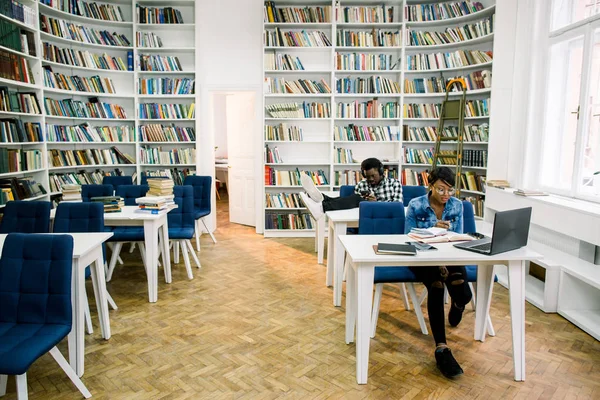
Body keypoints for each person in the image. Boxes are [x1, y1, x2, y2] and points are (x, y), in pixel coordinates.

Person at [404, 166, 471, 379]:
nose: (446, 195)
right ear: (430, 185)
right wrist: (433, 227)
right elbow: (408, 237)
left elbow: (457, 237)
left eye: (450, 190)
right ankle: (441, 347)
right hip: (421, 257)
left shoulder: (457, 205)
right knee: (437, 285)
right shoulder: (416, 205)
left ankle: (459, 304)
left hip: (449, 255)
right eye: (441, 189)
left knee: (460, 287)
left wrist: (444, 258)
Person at [300, 158, 403, 220]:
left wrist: (376, 203)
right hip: (365, 216)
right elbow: (351, 207)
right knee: (356, 198)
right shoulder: (362, 184)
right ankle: (323, 199)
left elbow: (398, 207)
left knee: (358, 199)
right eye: (367, 176)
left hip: (385, 217)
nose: (370, 179)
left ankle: (321, 206)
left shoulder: (394, 184)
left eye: (373, 176)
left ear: (381, 172)